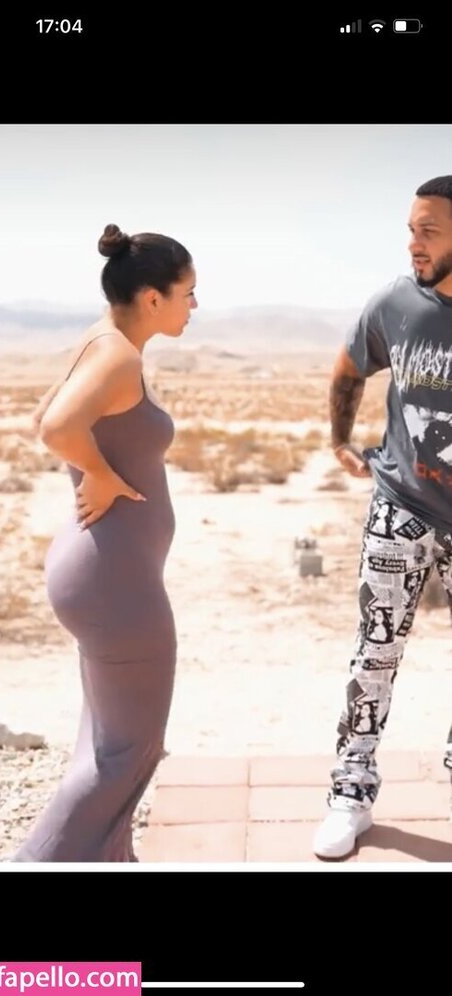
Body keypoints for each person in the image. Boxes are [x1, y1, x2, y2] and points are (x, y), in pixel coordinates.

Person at [11, 223, 197, 862]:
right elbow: (56, 427)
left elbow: (41, 416)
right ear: (153, 298)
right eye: (188, 294)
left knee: (103, 749)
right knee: (125, 755)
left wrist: (97, 468)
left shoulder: (99, 340)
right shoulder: (118, 355)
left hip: (100, 572)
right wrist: (98, 472)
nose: (194, 306)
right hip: (116, 582)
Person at [313, 175, 452, 860]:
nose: (413, 244)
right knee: (375, 652)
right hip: (401, 507)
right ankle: (351, 791)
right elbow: (348, 369)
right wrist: (341, 440)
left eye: (429, 231)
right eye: (411, 229)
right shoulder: (394, 304)